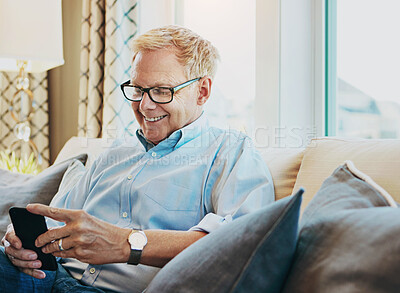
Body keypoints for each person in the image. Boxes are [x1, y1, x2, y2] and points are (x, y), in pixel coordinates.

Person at [0, 25, 274, 293]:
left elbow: (243, 243)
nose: (144, 106)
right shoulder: (113, 154)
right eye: (138, 89)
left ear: (202, 91)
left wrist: (126, 243)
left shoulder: (230, 152)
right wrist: (19, 244)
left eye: (161, 91)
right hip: (45, 277)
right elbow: (55, 223)